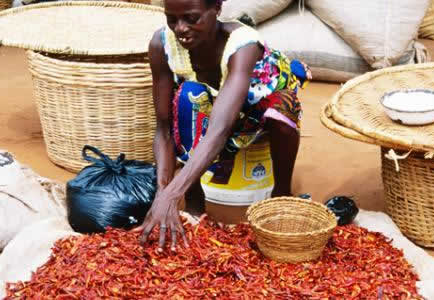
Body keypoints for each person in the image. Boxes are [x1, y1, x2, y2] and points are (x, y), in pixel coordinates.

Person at [133, 0, 311, 250]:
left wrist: (173, 194)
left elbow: (219, 129)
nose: (180, 28)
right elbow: (163, 128)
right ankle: (195, 202)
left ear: (216, 8)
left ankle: (281, 194)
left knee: (282, 111)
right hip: (215, 106)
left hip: (257, 106)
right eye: (172, 20)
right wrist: (162, 193)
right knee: (186, 96)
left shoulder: (243, 44)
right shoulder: (161, 44)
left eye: (191, 18)